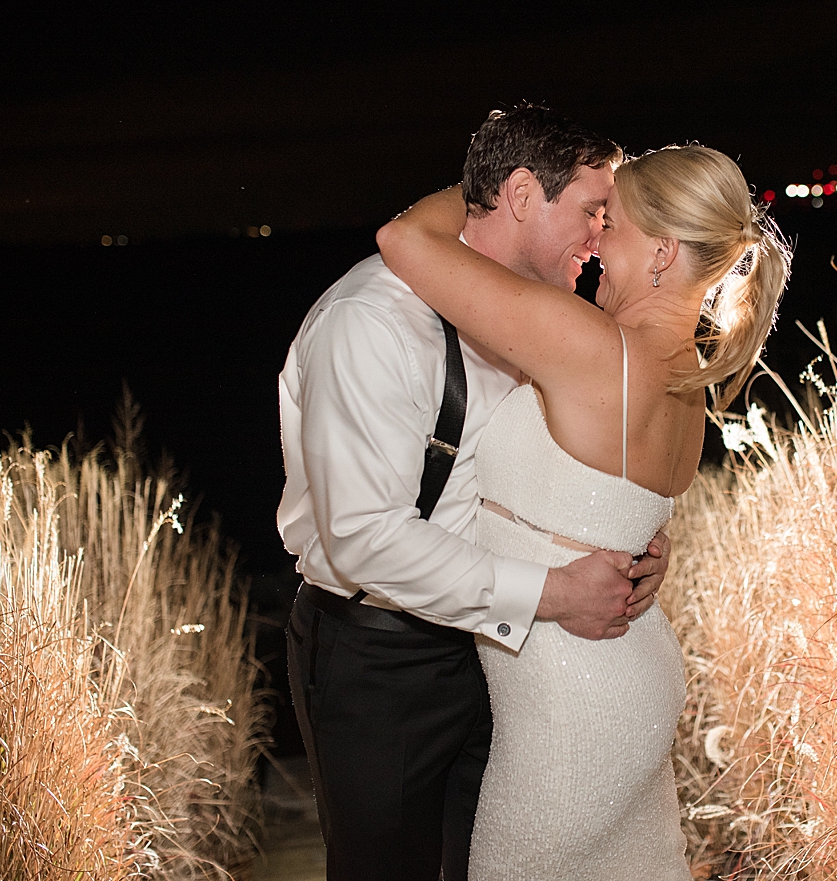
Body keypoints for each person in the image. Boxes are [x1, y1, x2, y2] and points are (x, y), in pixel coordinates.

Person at [376, 140, 791, 879]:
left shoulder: (595, 348)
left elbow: (403, 239)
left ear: (663, 254)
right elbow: (609, 508)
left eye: (614, 222)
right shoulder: (687, 389)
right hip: (626, 678)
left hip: (572, 713)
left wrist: (499, 187)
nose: (596, 235)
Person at [278, 105, 672, 881]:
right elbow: (364, 536)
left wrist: (636, 544)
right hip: (381, 658)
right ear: (523, 194)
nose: (601, 237)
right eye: (594, 210)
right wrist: (553, 592)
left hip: (507, 660)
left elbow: (549, 472)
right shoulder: (372, 323)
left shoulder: (547, 323)